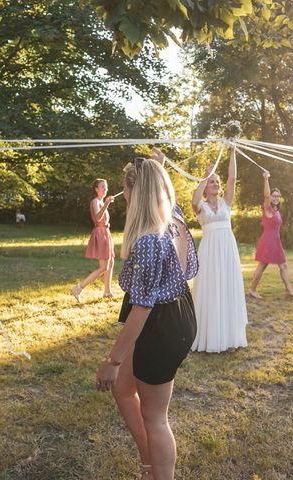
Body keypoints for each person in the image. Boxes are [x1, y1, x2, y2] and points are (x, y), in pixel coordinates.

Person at [95, 155, 197, 480]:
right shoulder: (171, 218)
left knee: (156, 417)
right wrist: (157, 167)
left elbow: (141, 309)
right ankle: (148, 463)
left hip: (162, 326)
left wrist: (111, 362)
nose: (124, 194)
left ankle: (158, 473)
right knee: (124, 390)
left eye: (127, 188)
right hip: (174, 315)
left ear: (134, 192)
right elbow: (166, 194)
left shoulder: (150, 241)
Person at [190, 146, 248, 352]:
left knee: (227, 286)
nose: (215, 184)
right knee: (210, 287)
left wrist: (232, 151)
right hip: (209, 250)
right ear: (206, 187)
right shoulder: (201, 206)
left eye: (216, 181)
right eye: (211, 182)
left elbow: (232, 178)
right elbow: (194, 200)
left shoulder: (226, 203)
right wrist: (205, 177)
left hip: (227, 250)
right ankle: (209, 335)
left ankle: (229, 335)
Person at [248, 170, 293, 300]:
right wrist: (266, 179)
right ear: (270, 197)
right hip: (268, 241)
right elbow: (266, 196)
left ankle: (289, 290)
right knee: (263, 265)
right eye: (274, 196)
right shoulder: (268, 209)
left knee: (283, 265)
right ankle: (252, 290)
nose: (276, 198)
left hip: (275, 241)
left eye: (278, 196)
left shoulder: (276, 210)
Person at [71, 179, 115, 301]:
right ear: (96, 189)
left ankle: (107, 291)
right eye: (102, 187)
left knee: (110, 262)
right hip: (100, 235)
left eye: (106, 187)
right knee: (103, 267)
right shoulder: (95, 202)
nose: (105, 189)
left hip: (106, 233)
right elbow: (97, 218)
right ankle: (78, 288)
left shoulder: (101, 201)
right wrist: (106, 204)